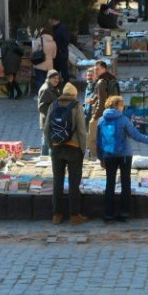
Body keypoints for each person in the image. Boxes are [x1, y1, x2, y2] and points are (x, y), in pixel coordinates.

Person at [97, 96, 148, 222]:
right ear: (118, 106)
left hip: (108, 155)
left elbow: (98, 141)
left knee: (110, 184)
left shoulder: (101, 120)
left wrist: (101, 158)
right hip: (124, 155)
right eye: (122, 105)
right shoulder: (124, 120)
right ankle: (124, 212)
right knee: (125, 183)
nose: (123, 108)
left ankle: (108, 214)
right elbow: (137, 136)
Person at [43, 82, 88, 226]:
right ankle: (74, 215)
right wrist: (83, 149)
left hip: (57, 148)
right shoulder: (76, 106)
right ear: (74, 95)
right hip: (74, 149)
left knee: (58, 182)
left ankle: (57, 215)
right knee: (74, 183)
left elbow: (46, 129)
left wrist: (52, 146)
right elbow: (81, 130)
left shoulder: (53, 105)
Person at [88, 60, 118, 158]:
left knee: (92, 138)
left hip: (101, 114)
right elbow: (102, 95)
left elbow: (102, 102)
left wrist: (95, 116)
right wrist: (94, 99)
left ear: (104, 69)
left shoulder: (101, 81)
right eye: (95, 69)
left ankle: (95, 157)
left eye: (98, 69)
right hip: (111, 112)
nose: (95, 71)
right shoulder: (111, 78)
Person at [38, 69, 61, 156]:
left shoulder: (53, 88)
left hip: (51, 119)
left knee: (47, 140)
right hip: (48, 120)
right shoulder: (46, 89)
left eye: (57, 78)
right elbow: (42, 107)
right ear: (49, 78)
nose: (56, 80)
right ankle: (44, 158)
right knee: (47, 141)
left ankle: (45, 158)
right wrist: (53, 114)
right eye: (54, 78)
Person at [49, 16, 70, 82]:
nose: (49, 22)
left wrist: (60, 50)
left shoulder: (62, 28)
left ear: (53, 20)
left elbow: (66, 40)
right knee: (55, 71)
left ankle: (67, 87)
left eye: (50, 20)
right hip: (56, 54)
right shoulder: (55, 28)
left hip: (61, 54)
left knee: (64, 72)